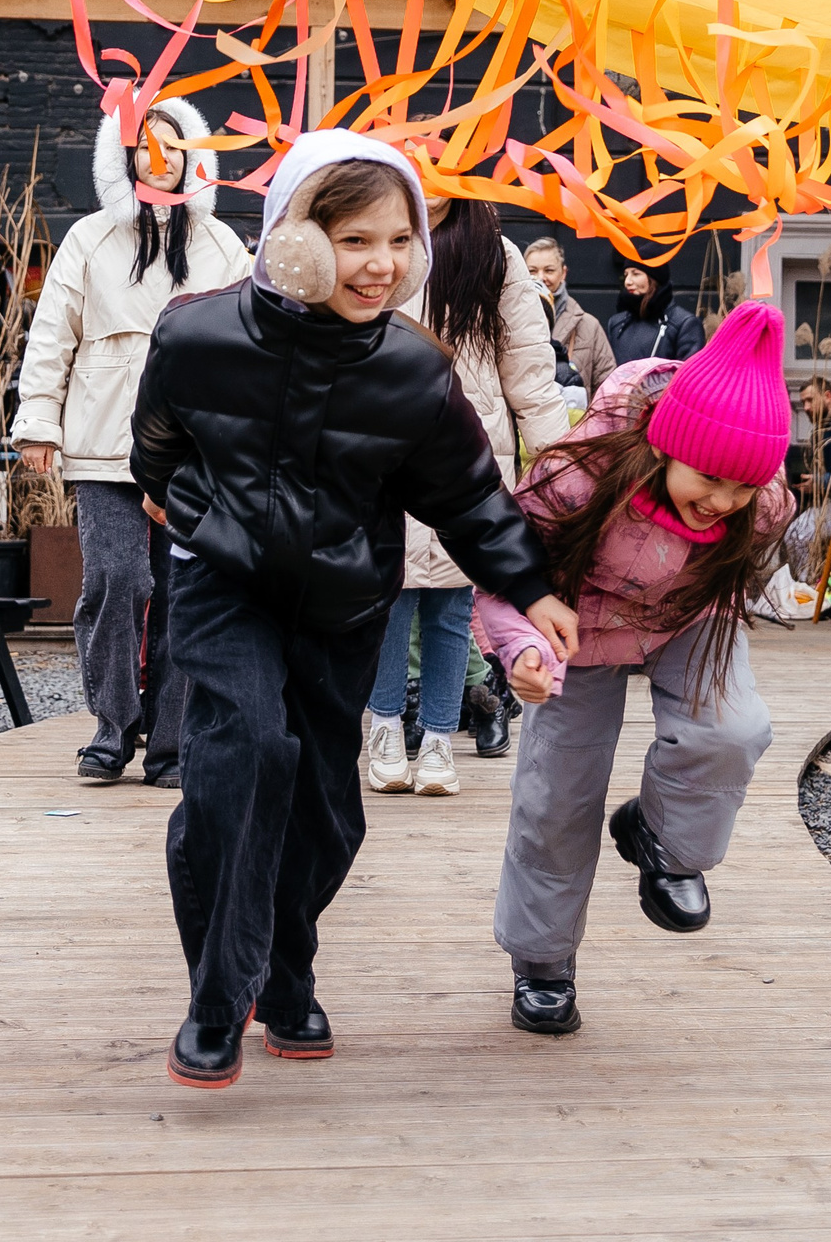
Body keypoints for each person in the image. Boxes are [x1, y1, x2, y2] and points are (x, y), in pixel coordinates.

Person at [129, 131, 555, 1088]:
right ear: (291, 234)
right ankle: (217, 994)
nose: (385, 263)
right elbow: (155, 444)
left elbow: (473, 501)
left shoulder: (413, 371)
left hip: (344, 600)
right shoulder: (195, 335)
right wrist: (182, 502)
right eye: (357, 239)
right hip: (223, 583)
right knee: (244, 752)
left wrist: (532, 589)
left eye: (402, 240)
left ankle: (287, 973)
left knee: (327, 809)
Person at [472, 302, 792, 1036]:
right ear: (665, 446)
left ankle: (665, 843)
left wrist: (741, 510)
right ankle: (543, 964)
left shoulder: (759, 502)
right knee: (559, 792)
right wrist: (522, 648)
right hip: (576, 624)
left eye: (743, 489)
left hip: (688, 617)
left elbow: (747, 553)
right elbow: (502, 569)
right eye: (710, 479)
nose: (724, 503)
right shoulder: (579, 476)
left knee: (735, 727)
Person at [14, 96, 248, 785]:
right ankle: (113, 725)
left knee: (184, 590)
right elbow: (53, 331)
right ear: (123, 156)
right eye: (146, 146)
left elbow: (249, 338)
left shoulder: (220, 244)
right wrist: (38, 423)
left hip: (194, 448)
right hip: (103, 437)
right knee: (118, 579)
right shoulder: (89, 238)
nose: (160, 157)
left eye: (173, 146)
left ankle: (173, 740)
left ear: (191, 155)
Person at [362, 199, 568, 794]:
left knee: (454, 608)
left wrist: (565, 464)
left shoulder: (495, 254)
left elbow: (530, 373)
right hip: (386, 443)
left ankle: (436, 741)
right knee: (391, 599)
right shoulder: (384, 241)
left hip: (467, 449)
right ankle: (381, 726)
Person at [524, 237, 616, 391]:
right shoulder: (509, 323)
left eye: (549, 270)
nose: (541, 277)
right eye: (532, 271)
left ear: (563, 273)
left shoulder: (588, 326)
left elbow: (607, 390)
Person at [605, 258, 705, 365]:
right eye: (626, 275)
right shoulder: (616, 323)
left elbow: (690, 375)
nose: (627, 282)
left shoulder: (684, 324)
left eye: (636, 274)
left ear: (654, 279)